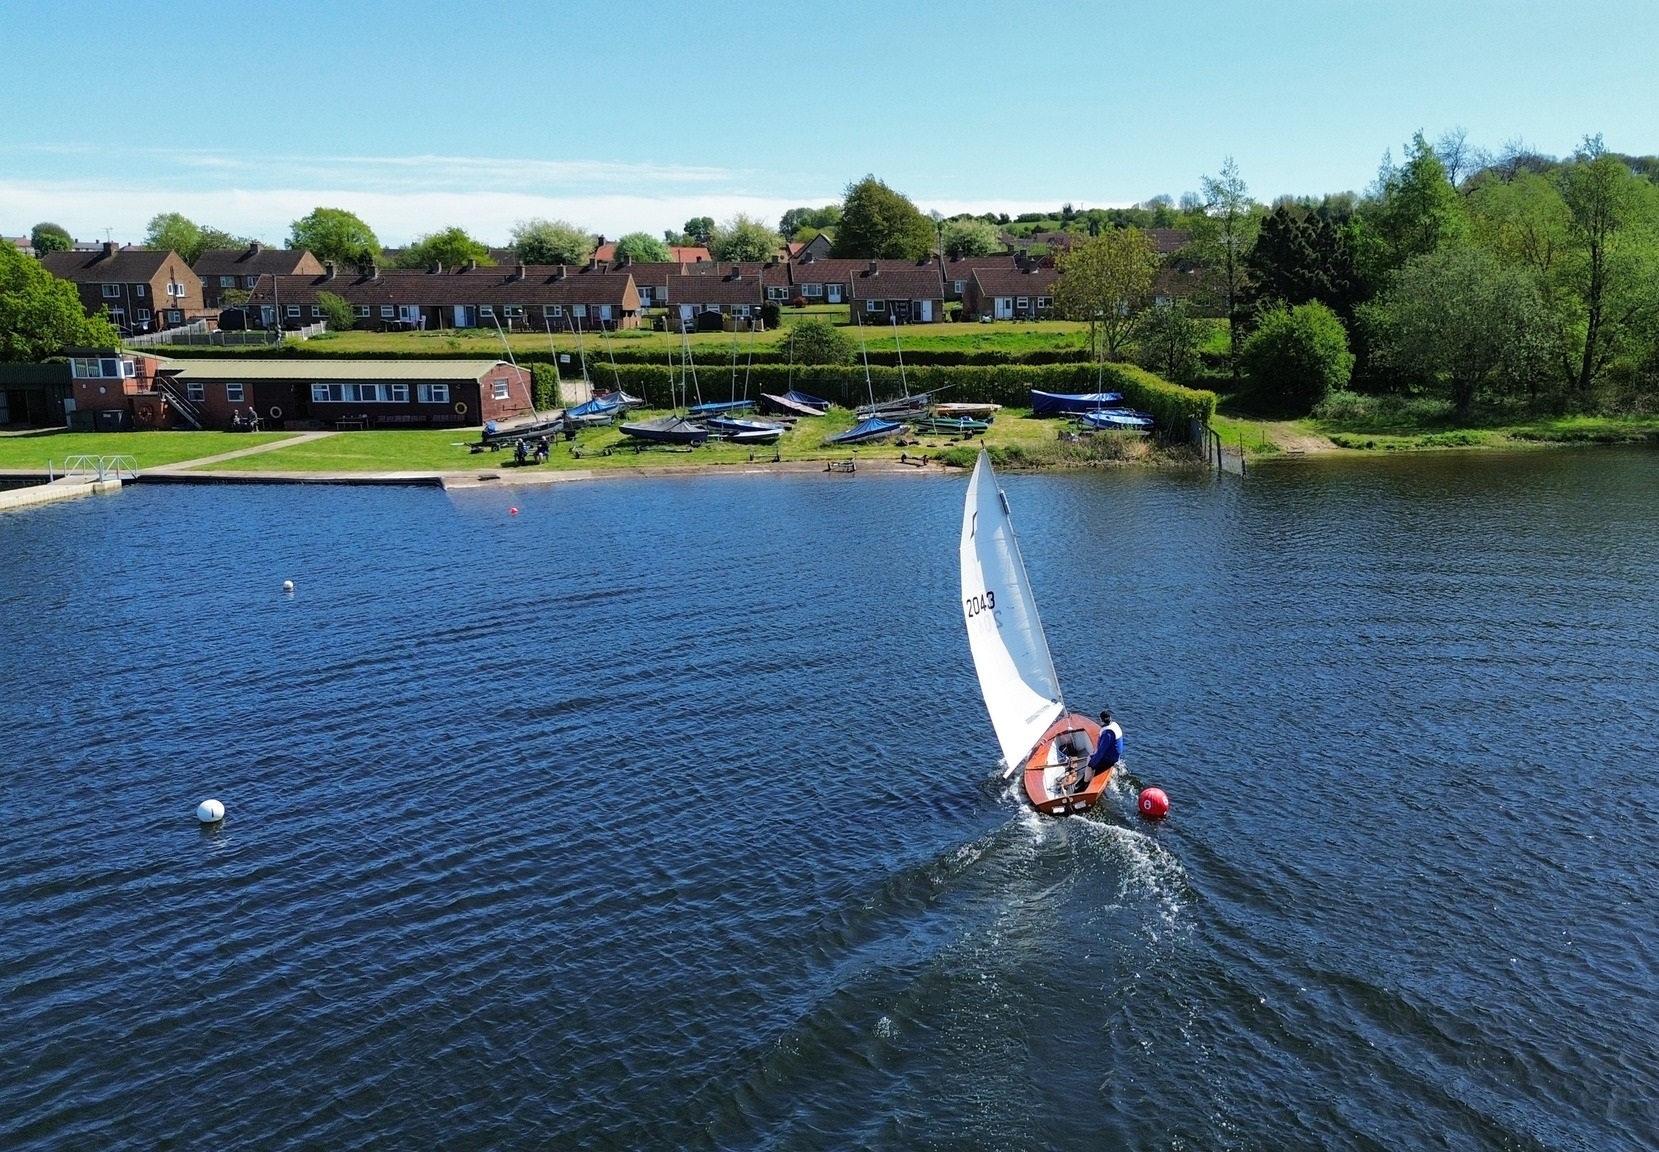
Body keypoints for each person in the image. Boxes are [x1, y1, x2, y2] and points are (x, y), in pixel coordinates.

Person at [1089, 710, 1123, 777]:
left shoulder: (1107, 733)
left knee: (1089, 760)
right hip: (1116, 757)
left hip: (1109, 759)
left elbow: (1101, 751)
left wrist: (1091, 764)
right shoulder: (1115, 725)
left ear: (1101, 720)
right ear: (1110, 718)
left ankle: (1085, 782)